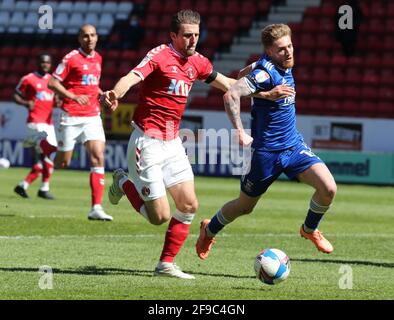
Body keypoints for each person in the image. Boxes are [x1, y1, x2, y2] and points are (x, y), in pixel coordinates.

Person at [100, 10, 282, 279]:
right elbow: (132, 77)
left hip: (173, 142)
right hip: (147, 142)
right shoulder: (159, 55)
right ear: (173, 35)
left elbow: (228, 84)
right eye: (187, 35)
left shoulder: (198, 62)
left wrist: (265, 92)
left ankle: (165, 265)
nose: (193, 40)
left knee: (188, 205)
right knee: (158, 217)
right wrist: (115, 93)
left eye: (196, 35)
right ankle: (124, 183)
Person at [196, 24, 337, 261]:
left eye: (290, 46)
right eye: (281, 49)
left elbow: (241, 75)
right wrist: (240, 131)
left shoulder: (276, 65)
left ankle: (309, 229)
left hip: (293, 147)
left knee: (329, 188)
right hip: (265, 154)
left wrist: (262, 95)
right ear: (270, 52)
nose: (289, 52)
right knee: (244, 206)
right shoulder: (265, 73)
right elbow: (231, 94)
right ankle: (209, 230)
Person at [25, 25, 112, 221]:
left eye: (92, 35)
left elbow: (93, 85)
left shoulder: (98, 58)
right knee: (63, 162)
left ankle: (96, 208)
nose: (89, 39)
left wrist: (103, 96)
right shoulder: (70, 58)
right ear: (79, 39)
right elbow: (52, 83)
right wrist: (73, 96)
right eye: (85, 36)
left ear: (97, 37)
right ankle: (45, 145)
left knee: (98, 156)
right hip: (71, 116)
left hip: (92, 115)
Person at [13, 54, 57, 200]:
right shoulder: (28, 78)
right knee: (45, 154)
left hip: (49, 123)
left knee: (47, 158)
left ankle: (26, 186)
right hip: (35, 122)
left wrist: (58, 100)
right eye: (43, 62)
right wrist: (26, 103)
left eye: (48, 63)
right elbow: (16, 94)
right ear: (38, 62)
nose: (45, 65)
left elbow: (55, 97)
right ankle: (42, 189)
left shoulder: (52, 80)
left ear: (50, 65)